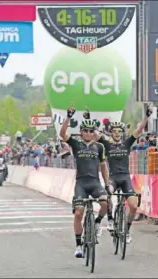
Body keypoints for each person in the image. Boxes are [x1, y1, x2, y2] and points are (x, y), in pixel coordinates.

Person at [95, 105, 152, 244]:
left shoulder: (127, 143)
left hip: (126, 178)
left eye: (119, 131)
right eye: (114, 131)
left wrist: (146, 116)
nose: (117, 133)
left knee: (133, 206)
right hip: (113, 178)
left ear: (122, 133)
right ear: (111, 133)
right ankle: (110, 219)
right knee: (107, 195)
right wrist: (88, 118)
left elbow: (139, 130)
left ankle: (126, 230)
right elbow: (95, 134)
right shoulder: (107, 145)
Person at [59, 106, 110, 259]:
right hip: (81, 183)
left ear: (94, 132)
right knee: (79, 213)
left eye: (91, 131)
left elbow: (103, 167)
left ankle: (97, 222)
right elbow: (62, 134)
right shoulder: (76, 144)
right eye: (85, 130)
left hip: (95, 182)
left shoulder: (99, 147)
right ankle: (78, 245)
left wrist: (107, 185)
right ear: (81, 132)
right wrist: (68, 117)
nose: (88, 133)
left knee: (105, 203)